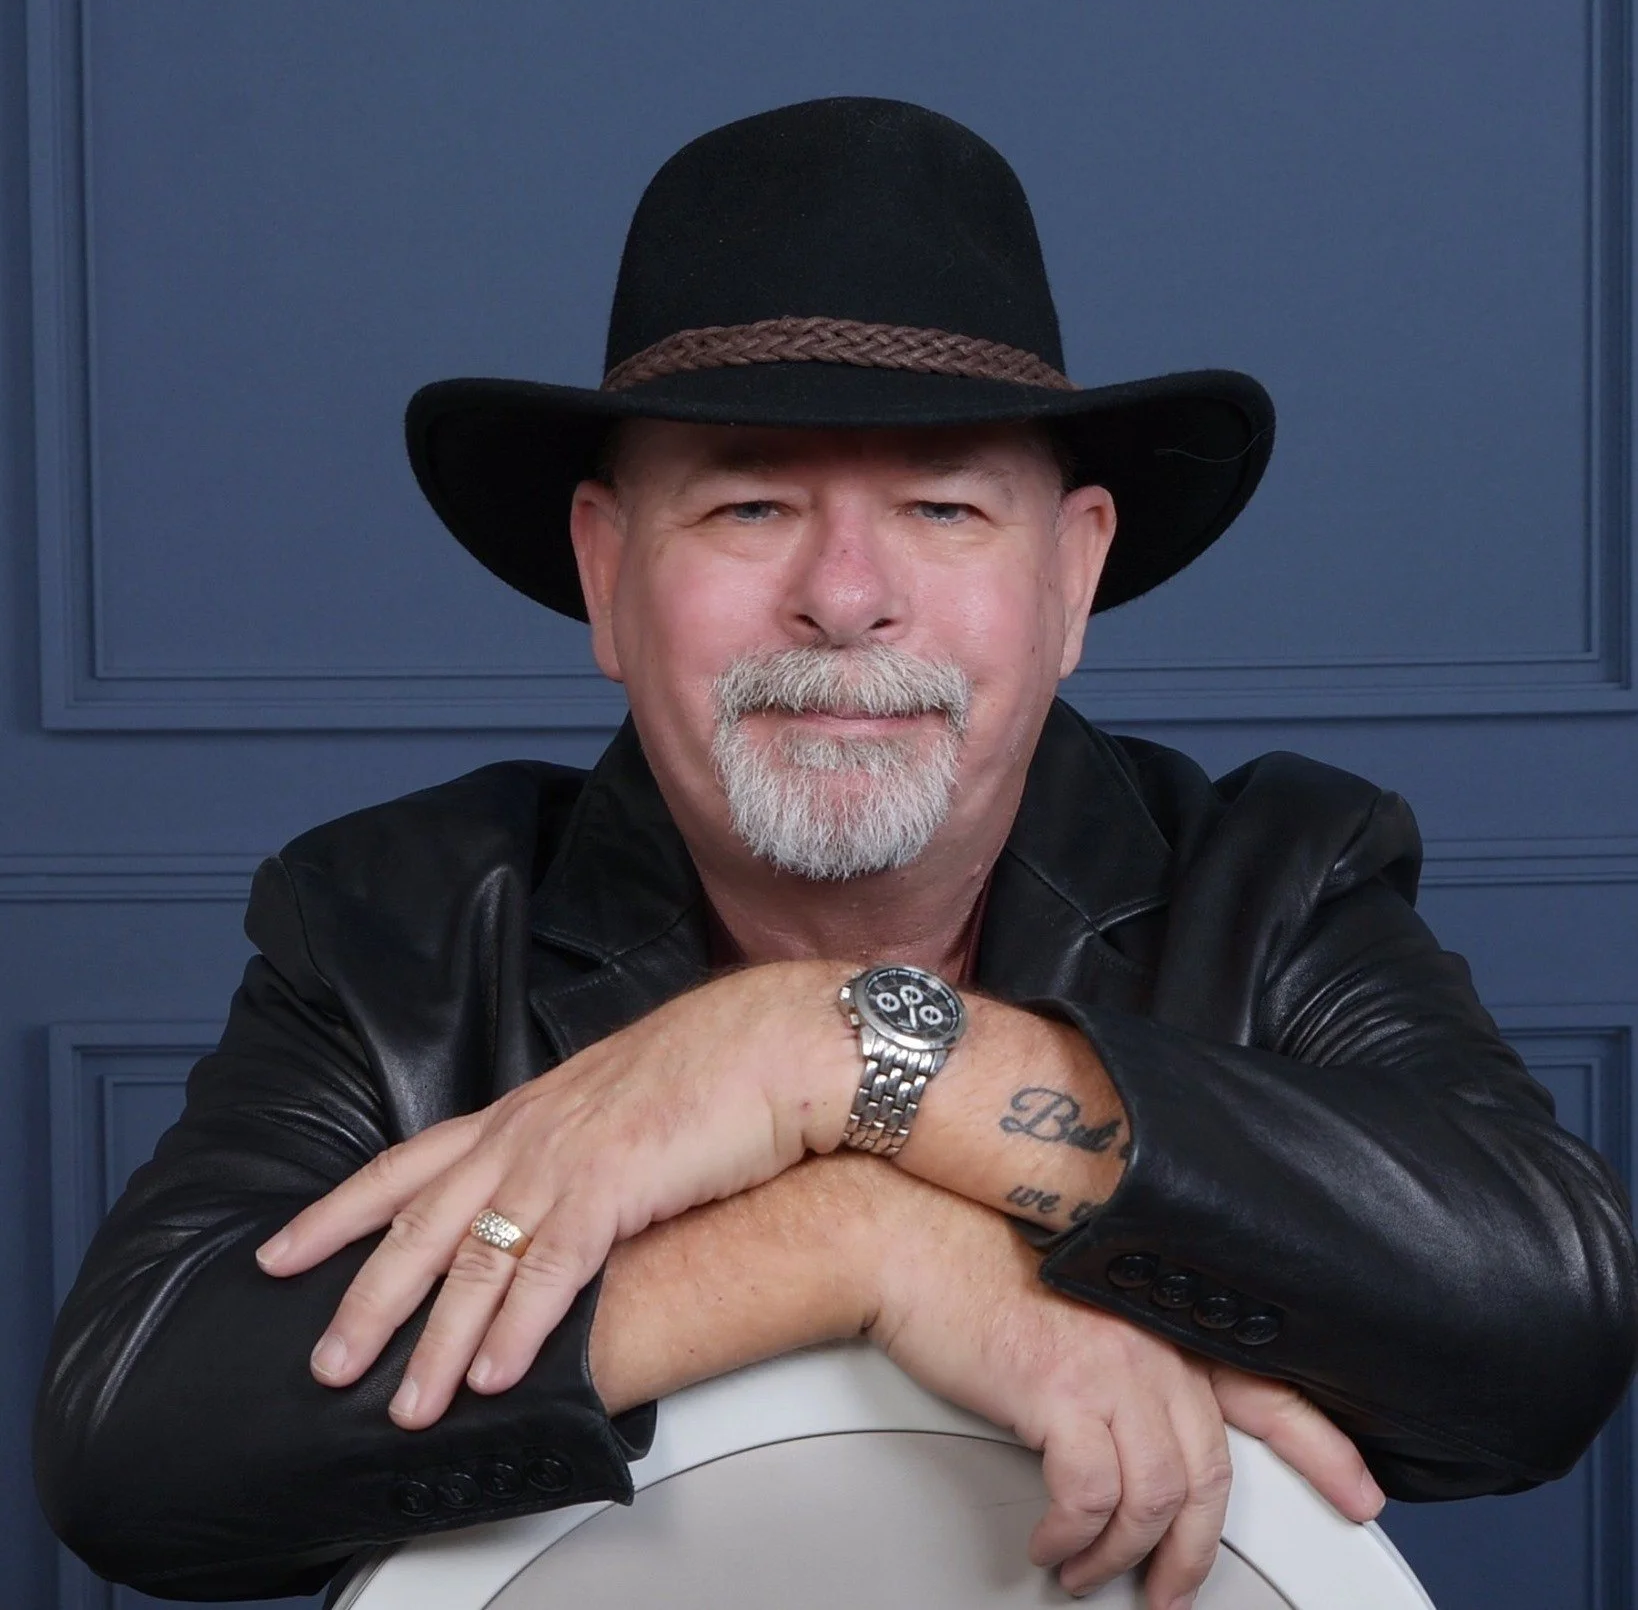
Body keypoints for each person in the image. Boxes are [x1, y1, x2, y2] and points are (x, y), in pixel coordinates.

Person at [34, 96, 1637, 1609]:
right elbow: (139, 1445)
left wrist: (838, 1048)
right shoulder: (395, 926)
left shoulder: (1280, 876)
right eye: (747, 507)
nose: (846, 595)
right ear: (605, 575)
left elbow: (1540, 1326)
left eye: (942, 508)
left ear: (1072, 578)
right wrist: (856, 1242)